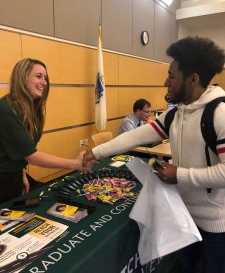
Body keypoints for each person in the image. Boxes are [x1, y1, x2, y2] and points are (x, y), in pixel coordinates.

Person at [84, 37, 225, 273]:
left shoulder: (219, 114)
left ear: (193, 79)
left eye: (172, 76)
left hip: (216, 229)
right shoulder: (175, 115)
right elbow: (135, 137)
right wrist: (96, 152)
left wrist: (180, 175)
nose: (165, 82)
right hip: (184, 219)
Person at [0, 58, 93, 203]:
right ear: (22, 77)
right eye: (38, 76)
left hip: (15, 174)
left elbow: (19, 149)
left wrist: (21, 172)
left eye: (45, 78)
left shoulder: (31, 109)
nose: (44, 82)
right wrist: (75, 164)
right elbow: (32, 156)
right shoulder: (6, 108)